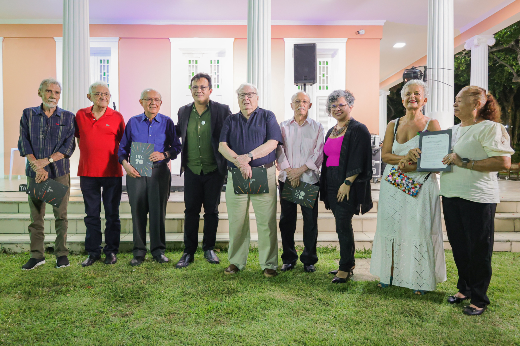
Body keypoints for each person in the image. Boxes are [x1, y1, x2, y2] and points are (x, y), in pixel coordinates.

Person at [441, 86, 513, 316]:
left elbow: (503, 163)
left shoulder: (490, 128)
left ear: (477, 104)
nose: (455, 103)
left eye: (459, 100)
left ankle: (479, 299)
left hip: (478, 198)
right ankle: (465, 289)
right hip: (451, 194)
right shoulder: (452, 130)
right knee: (459, 245)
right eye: (455, 100)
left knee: (478, 249)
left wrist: (466, 163)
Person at [370, 79, 446, 294]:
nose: (412, 97)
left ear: (425, 99)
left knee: (417, 229)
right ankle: (390, 272)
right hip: (393, 185)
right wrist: (404, 157)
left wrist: (414, 164)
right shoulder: (393, 125)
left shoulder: (432, 124)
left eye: (417, 93)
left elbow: (438, 161)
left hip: (420, 187)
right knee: (391, 226)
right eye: (408, 94)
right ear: (402, 100)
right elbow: (385, 156)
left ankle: (418, 278)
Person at [218, 83, 283, 277]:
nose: (246, 99)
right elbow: (222, 146)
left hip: (263, 173)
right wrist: (240, 162)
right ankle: (236, 261)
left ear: (257, 97)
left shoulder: (267, 116)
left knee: (266, 221)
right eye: (242, 95)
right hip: (237, 174)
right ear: (237, 99)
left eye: (250, 95)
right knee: (237, 221)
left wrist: (249, 157)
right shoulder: (230, 120)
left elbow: (273, 143)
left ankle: (269, 264)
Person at [118, 89, 182, 266]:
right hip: (136, 173)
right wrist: (126, 165)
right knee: (137, 211)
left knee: (157, 212)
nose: (152, 103)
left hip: (159, 173)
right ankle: (138, 252)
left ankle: (158, 251)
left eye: (156, 100)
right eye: (148, 99)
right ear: (141, 102)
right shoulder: (133, 122)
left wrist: (165, 154)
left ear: (161, 103)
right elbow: (122, 149)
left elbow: (177, 147)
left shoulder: (167, 122)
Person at [174, 73, 232, 268]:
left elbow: (231, 134)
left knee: (211, 211)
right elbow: (175, 134)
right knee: (190, 211)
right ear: (190, 90)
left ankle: (209, 248)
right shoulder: (183, 111)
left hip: (213, 169)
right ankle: (188, 252)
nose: (199, 90)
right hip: (191, 169)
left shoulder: (222, 110)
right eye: (195, 87)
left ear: (210, 90)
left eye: (202, 87)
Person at [18, 78, 75, 270]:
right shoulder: (28, 114)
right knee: (36, 217)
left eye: (57, 92)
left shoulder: (68, 117)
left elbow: (69, 146)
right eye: (49, 91)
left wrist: (47, 161)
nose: (53, 95)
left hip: (59, 172)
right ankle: (37, 256)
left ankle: (61, 254)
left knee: (61, 216)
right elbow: (24, 142)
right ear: (40, 92)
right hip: (35, 174)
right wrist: (38, 167)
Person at [319, 89, 373, 283]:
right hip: (331, 181)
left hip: (347, 182)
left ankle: (345, 267)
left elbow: (360, 157)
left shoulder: (358, 129)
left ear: (350, 105)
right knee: (341, 224)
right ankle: (347, 262)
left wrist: (347, 182)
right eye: (333, 106)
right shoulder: (331, 131)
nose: (337, 109)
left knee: (343, 223)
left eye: (341, 104)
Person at [76, 81, 125, 267]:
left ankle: (111, 251)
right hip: (88, 173)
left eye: (106, 94)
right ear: (89, 97)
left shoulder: (117, 117)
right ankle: (93, 252)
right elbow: (79, 138)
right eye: (98, 94)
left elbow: (124, 143)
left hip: (112, 173)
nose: (103, 97)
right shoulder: (81, 115)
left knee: (112, 214)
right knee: (91, 215)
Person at [276, 91, 324, 273]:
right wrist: (290, 172)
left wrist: (300, 171)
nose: (300, 104)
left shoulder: (317, 127)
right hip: (287, 179)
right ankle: (288, 258)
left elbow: (318, 153)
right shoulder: (283, 127)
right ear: (291, 105)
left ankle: (309, 259)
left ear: (310, 105)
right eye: (297, 101)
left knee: (310, 221)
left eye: (304, 101)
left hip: (308, 179)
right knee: (287, 220)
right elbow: (279, 151)